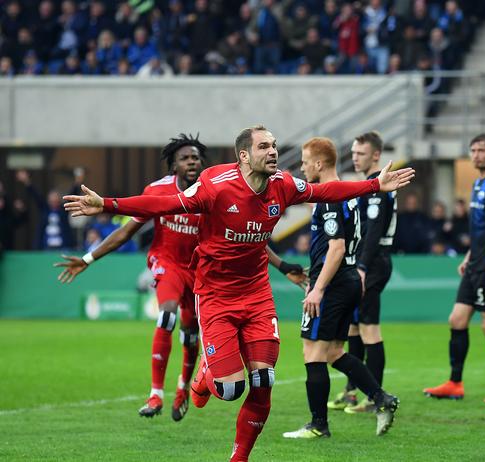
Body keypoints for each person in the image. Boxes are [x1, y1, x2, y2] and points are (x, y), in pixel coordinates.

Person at [63, 125, 414, 461]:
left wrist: (372, 186)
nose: (273, 151)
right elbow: (161, 205)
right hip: (215, 294)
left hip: (257, 295)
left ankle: (239, 457)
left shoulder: (283, 184)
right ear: (244, 155)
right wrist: (108, 204)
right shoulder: (215, 185)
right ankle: (205, 373)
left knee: (263, 382)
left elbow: (324, 192)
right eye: (264, 146)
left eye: (274, 145)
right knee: (231, 390)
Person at [54, 134, 307, 421]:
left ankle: (184, 386)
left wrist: (283, 265)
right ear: (173, 165)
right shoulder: (158, 190)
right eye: (185, 158)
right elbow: (126, 231)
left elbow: (250, 241)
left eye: (196, 158)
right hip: (168, 263)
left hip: (201, 273)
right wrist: (89, 258)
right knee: (167, 316)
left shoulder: (214, 192)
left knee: (190, 335)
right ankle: (155, 393)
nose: (192, 162)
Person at [283, 137, 399, 439]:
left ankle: (318, 425)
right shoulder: (345, 194)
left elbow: (336, 247)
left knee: (313, 351)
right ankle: (382, 398)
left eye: (306, 162)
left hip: (333, 283)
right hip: (348, 279)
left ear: (319, 164)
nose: (303, 167)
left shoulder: (331, 198)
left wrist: (317, 289)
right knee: (334, 351)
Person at [423, 134, 485, 403]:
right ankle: (455, 383)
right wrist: (468, 255)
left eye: (481, 150)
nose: (476, 155)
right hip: (476, 263)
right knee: (457, 319)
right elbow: (483, 230)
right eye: (473, 150)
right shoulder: (478, 183)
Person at [329, 132, 398, 413]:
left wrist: (362, 267)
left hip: (373, 262)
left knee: (369, 329)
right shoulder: (367, 187)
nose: (355, 157)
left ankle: (374, 397)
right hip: (363, 262)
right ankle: (352, 390)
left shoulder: (380, 190)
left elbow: (372, 234)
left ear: (376, 156)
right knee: (354, 328)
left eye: (360, 153)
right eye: (354, 153)